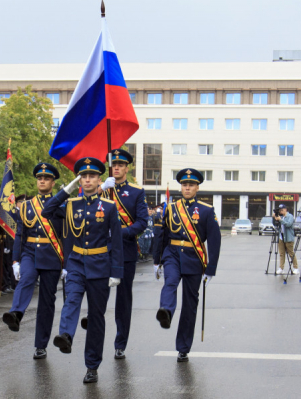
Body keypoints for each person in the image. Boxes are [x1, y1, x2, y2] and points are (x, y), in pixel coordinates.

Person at [43, 157, 123, 384]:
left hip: (100, 266)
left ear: (99, 180)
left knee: (96, 317)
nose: (87, 180)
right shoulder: (70, 204)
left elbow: (116, 242)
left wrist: (116, 272)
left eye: (91, 176)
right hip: (76, 263)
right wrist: (66, 190)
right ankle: (66, 335)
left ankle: (92, 366)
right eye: (83, 176)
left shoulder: (108, 207)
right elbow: (47, 211)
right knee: (71, 301)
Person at [154, 169, 221, 363]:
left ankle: (183, 347)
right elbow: (162, 234)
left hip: (194, 258)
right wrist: (157, 260)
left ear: (197, 187)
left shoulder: (207, 210)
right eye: (184, 185)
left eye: (191, 185)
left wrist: (211, 269)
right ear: (181, 187)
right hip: (173, 254)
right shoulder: (171, 208)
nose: (187, 188)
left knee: (190, 304)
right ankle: (165, 311)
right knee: (171, 281)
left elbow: (215, 241)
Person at [88, 149, 147, 360]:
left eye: (121, 164)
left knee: (123, 300)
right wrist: (101, 188)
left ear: (127, 167)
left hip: (125, 250)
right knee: (98, 296)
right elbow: (79, 209)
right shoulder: (99, 189)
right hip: (101, 251)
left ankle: (120, 343)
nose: (117, 167)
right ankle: (95, 340)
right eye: (114, 164)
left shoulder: (136, 192)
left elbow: (142, 222)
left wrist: (121, 232)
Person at [2, 162, 64, 360]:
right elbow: (20, 234)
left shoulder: (61, 204)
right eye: (39, 178)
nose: (42, 181)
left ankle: (41, 345)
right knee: (27, 277)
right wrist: (15, 261)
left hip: (53, 255)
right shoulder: (27, 206)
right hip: (30, 251)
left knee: (47, 302)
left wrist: (67, 264)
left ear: (53, 182)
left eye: (46, 178)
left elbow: (67, 235)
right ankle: (16, 314)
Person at [273, 204, 298, 275]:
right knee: (281, 253)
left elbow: (288, 224)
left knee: (291, 253)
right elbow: (275, 224)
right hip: (281, 237)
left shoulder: (290, 216)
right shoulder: (281, 217)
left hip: (288, 237)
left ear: (285, 209)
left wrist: (280, 220)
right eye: (280, 210)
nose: (281, 211)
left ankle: (296, 268)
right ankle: (281, 268)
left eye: (282, 210)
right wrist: (274, 218)